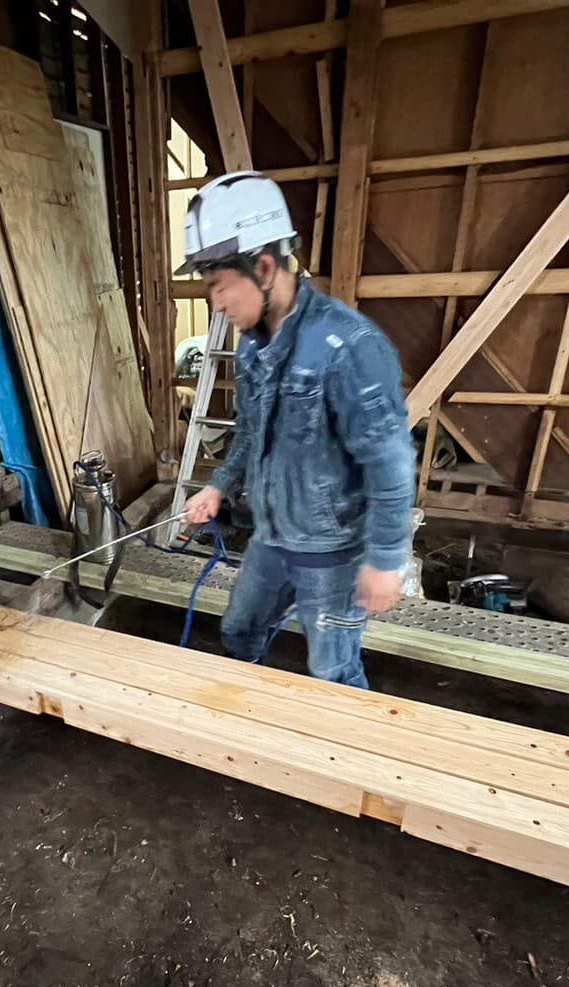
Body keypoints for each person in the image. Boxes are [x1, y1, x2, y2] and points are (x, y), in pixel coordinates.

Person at [178, 171, 416, 689]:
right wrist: (219, 485)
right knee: (239, 632)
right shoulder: (253, 345)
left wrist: (385, 559)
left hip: (334, 554)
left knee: (331, 672)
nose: (216, 302)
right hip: (271, 538)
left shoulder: (348, 346)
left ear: (264, 267)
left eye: (219, 285)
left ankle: (342, 736)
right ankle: (253, 716)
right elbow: (250, 431)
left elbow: (391, 464)